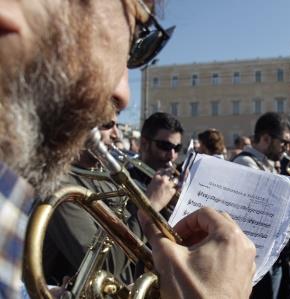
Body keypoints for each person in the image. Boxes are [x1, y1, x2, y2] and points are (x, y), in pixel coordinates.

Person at [0, 1, 256, 298]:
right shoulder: (47, 179)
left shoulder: (14, 189)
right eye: (126, 48)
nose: (123, 95)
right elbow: (111, 265)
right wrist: (147, 208)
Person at [42, 114, 145, 286]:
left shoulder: (105, 177)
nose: (116, 135)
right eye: (107, 125)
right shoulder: (59, 185)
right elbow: (105, 266)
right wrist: (147, 211)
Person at [232, 112, 290, 299]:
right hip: (253, 258)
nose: (286, 148)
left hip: (272, 255)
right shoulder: (245, 162)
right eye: (284, 142)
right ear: (266, 138)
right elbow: (264, 205)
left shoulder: (270, 164)